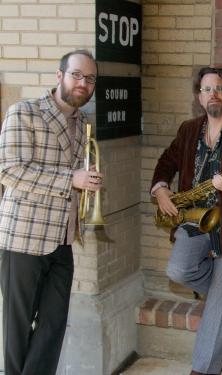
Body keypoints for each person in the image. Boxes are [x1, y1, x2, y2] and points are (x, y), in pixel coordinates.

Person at [151, 67, 222, 375]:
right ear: (199, 97)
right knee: (178, 269)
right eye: (206, 89)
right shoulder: (188, 130)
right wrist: (161, 189)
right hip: (194, 219)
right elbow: (166, 162)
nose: (212, 93)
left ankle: (203, 369)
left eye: (219, 88)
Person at [0, 50, 102, 375]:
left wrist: (88, 181)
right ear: (60, 76)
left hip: (63, 239)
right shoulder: (24, 112)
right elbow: (10, 171)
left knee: (53, 325)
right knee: (18, 330)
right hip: (23, 240)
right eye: (77, 75)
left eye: (90, 78)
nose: (83, 83)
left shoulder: (84, 123)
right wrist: (71, 179)